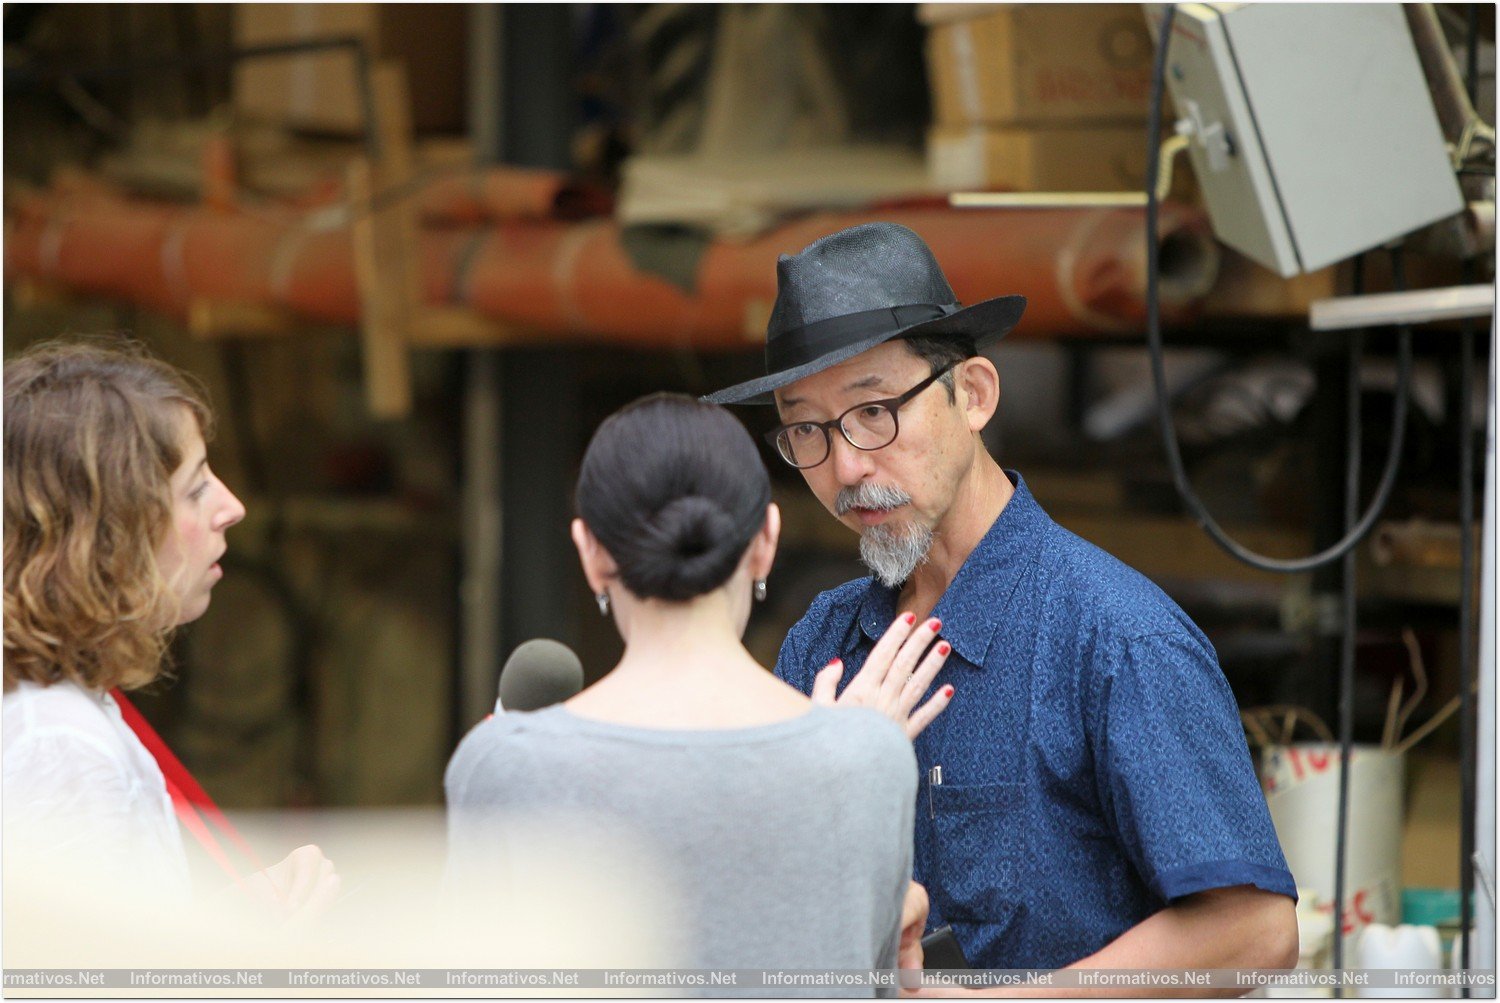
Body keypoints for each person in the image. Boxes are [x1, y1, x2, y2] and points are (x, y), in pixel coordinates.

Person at [704, 223, 1299, 987]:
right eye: (807, 428)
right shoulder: (822, 640)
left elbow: (1254, 931)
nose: (848, 465)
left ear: (975, 394)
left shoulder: (1115, 636)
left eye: (875, 411)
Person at [445, 393, 944, 980]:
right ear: (765, 541)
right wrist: (845, 746)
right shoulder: (870, 758)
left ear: (591, 553)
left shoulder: (501, 764)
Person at [3, 336, 338, 919]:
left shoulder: (64, 710)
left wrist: (228, 917)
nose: (231, 506)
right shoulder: (61, 742)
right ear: (107, 536)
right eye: (196, 487)